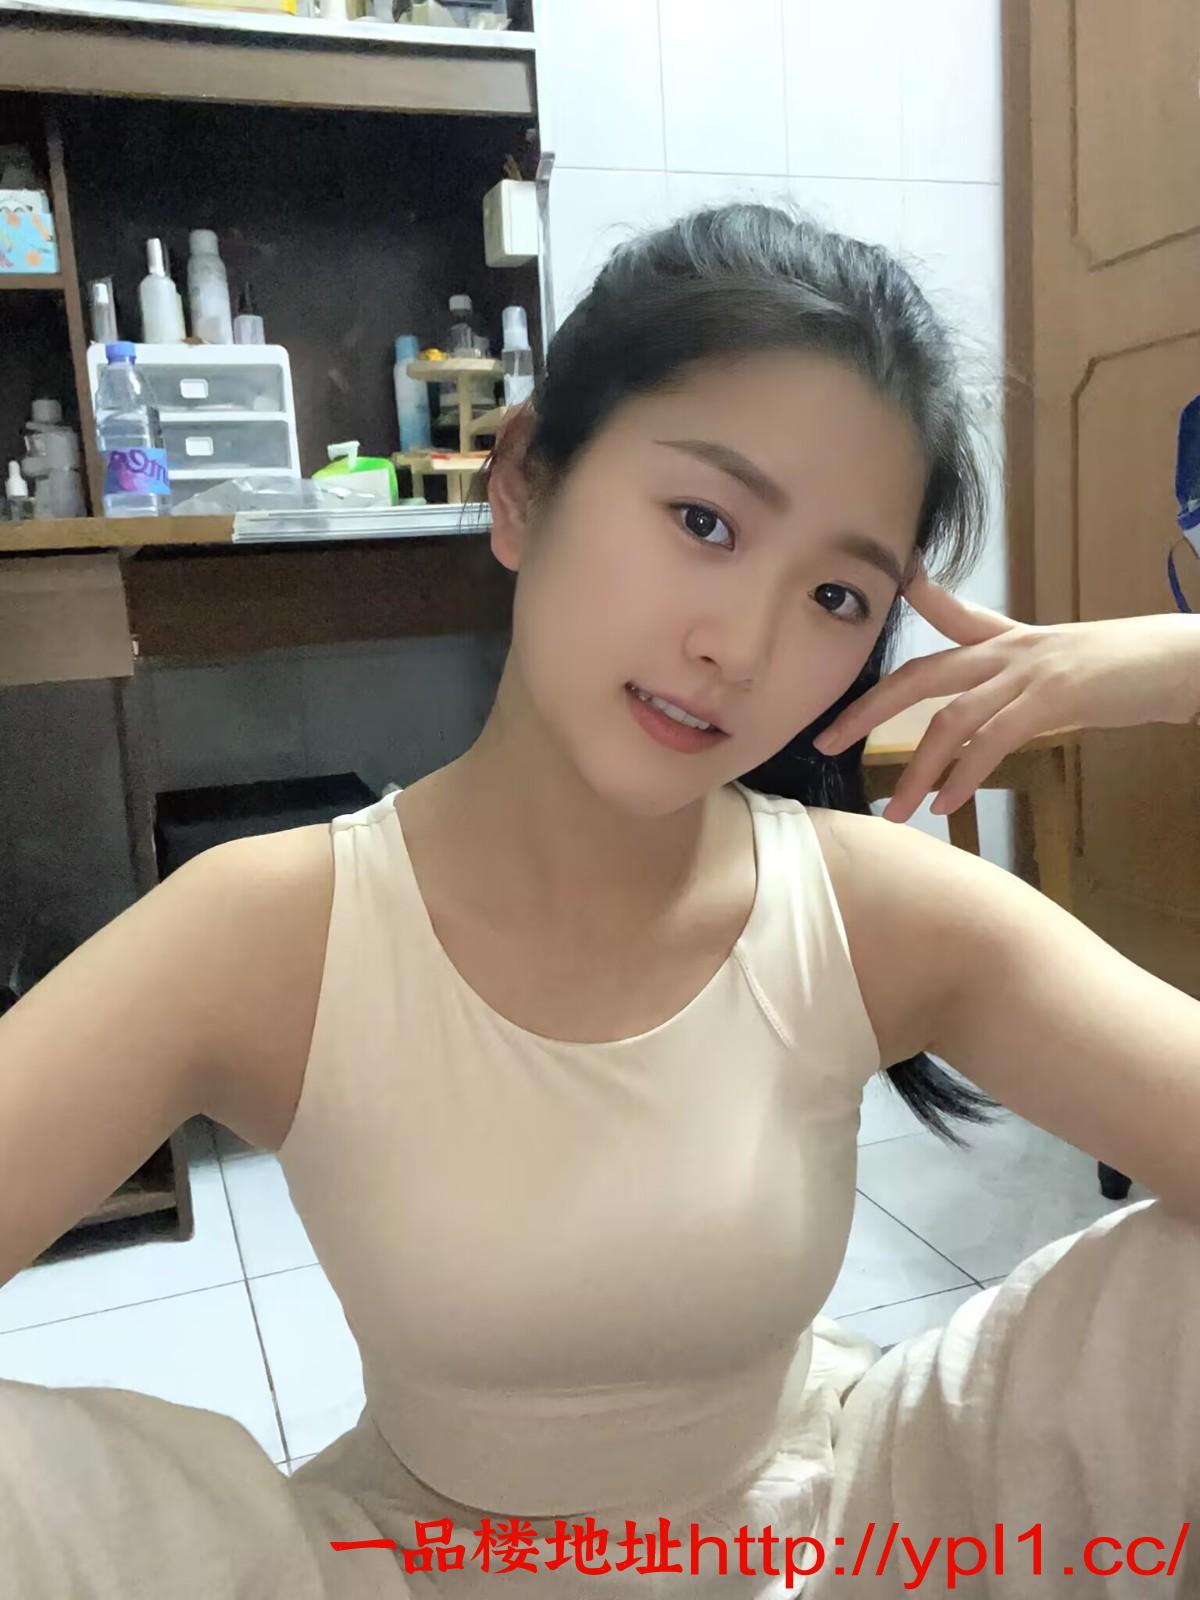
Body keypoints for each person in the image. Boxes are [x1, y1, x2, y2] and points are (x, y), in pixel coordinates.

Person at [1, 204, 1198, 1599]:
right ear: (524, 485)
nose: (739, 647)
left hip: (834, 1545)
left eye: (833, 595)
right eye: (704, 521)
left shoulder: (871, 908)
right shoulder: (272, 934)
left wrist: (1178, 664)